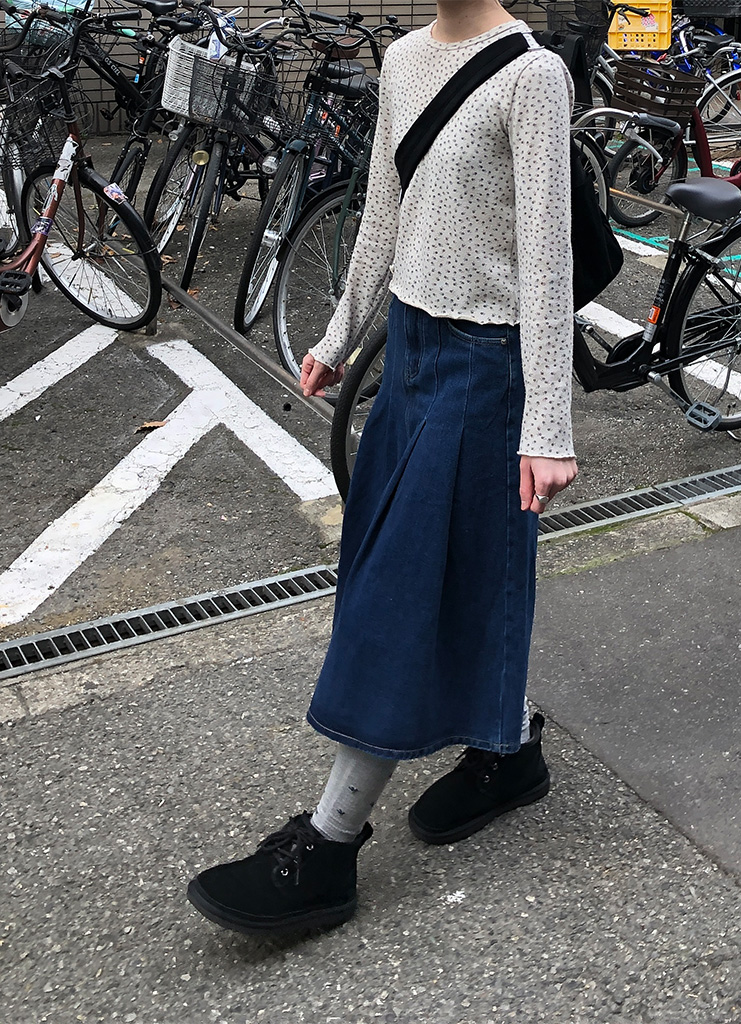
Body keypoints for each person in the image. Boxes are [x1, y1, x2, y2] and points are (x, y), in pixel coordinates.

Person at [187, 0, 578, 937]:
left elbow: (548, 262)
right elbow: (382, 216)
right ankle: (508, 749)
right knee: (447, 569)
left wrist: (548, 423)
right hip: (409, 351)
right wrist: (339, 335)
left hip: (485, 365)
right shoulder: (402, 59)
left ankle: (327, 847)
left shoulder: (533, 76)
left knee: (401, 591)